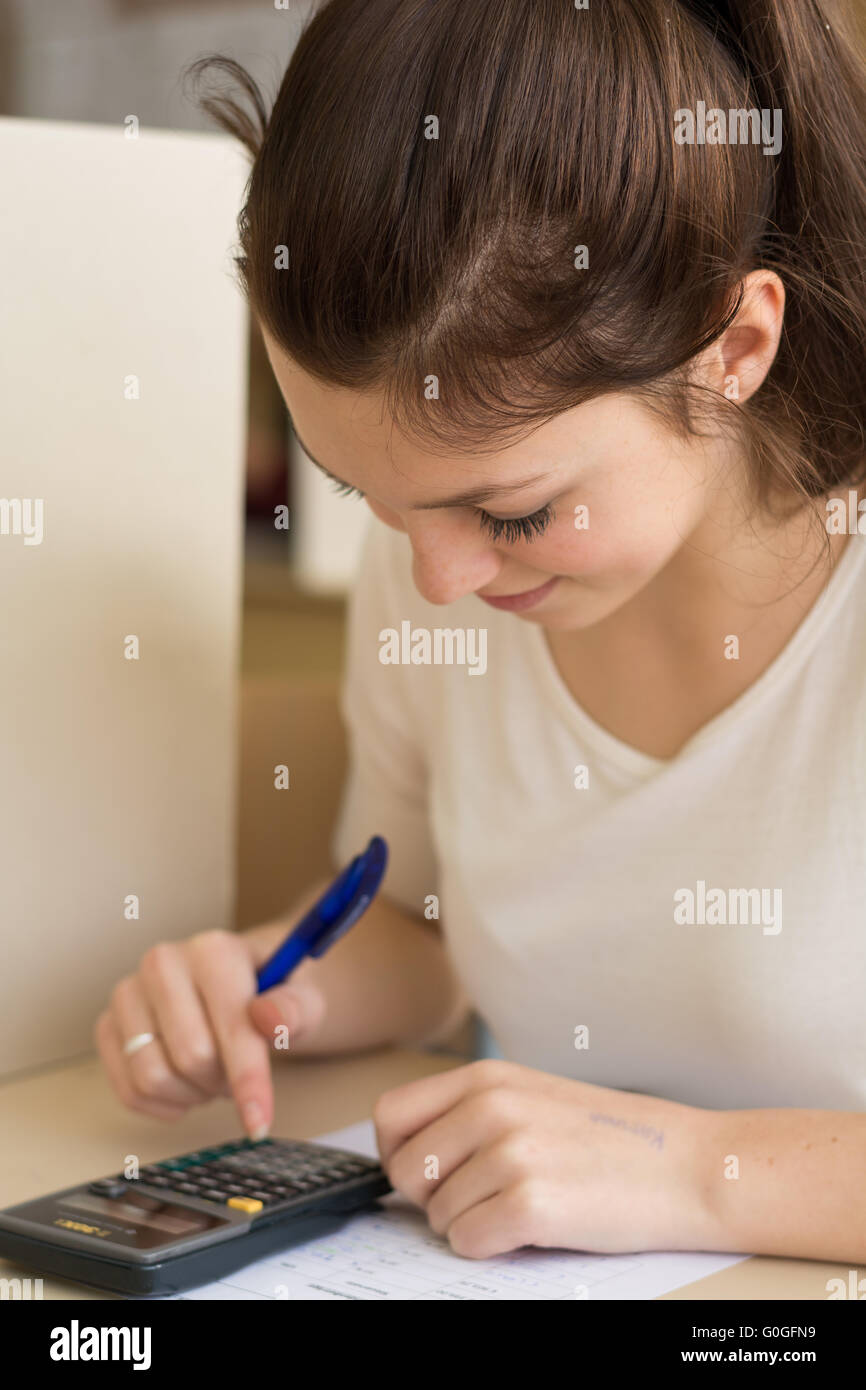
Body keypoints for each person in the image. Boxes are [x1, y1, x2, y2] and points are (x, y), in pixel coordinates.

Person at [96, 0, 866, 1263]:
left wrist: (695, 1172)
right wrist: (269, 988)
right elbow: (422, 924)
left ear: (732, 345)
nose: (434, 579)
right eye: (364, 497)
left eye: (510, 511)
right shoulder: (438, 570)